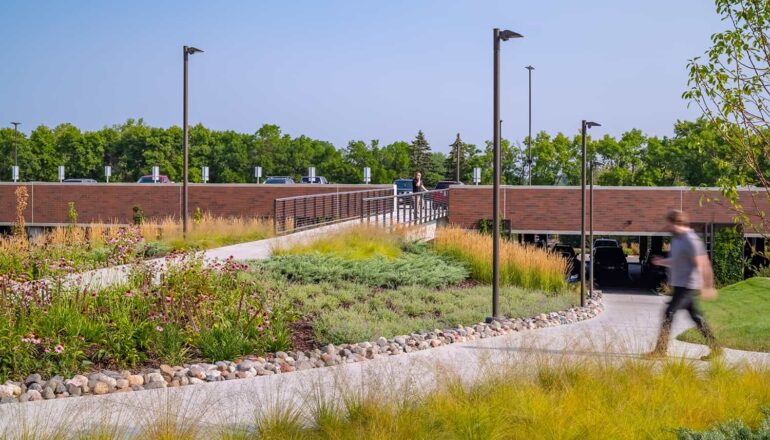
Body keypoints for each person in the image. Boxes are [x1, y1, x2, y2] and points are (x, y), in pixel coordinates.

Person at [643, 209, 721, 361]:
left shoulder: (691, 240)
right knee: (696, 317)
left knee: (669, 313)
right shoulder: (677, 239)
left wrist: (707, 286)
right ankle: (716, 347)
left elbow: (703, 263)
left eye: (669, 224)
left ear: (677, 223)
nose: (668, 228)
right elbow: (677, 261)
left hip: (687, 286)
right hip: (679, 285)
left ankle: (660, 351)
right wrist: (661, 262)